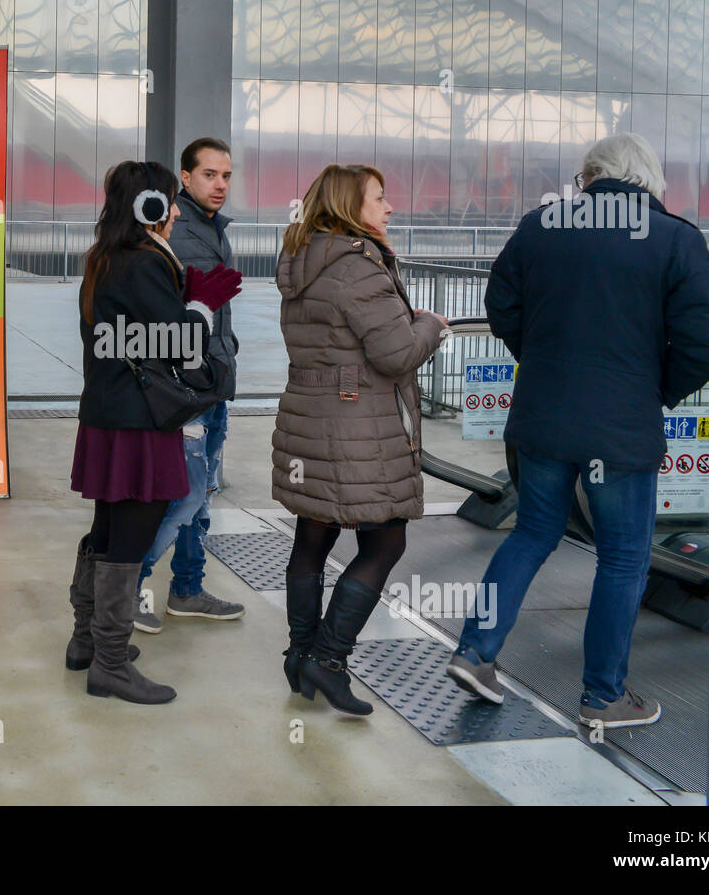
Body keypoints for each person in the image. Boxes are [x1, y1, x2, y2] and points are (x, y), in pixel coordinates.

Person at [445, 132, 709, 729]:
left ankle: (474, 652)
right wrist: (653, 391)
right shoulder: (676, 238)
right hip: (620, 430)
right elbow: (705, 347)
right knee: (623, 558)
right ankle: (603, 696)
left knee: (532, 534)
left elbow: (503, 308)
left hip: (542, 417)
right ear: (646, 180)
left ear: (589, 179)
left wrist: (544, 365)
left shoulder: (541, 227)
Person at [272, 164, 448, 715]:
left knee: (313, 537)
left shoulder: (302, 261)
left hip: (308, 418)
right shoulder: (357, 268)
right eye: (379, 197)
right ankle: (328, 660)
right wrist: (431, 327)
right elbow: (394, 353)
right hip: (357, 426)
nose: (389, 207)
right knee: (385, 541)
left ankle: (300, 656)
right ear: (351, 206)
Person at [67, 160, 243, 704]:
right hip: (140, 421)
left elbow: (119, 337)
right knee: (130, 539)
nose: (172, 210)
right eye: (167, 199)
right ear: (149, 206)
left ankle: (87, 642)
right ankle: (111, 665)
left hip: (106, 415)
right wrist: (200, 305)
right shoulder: (144, 263)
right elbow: (173, 343)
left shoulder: (105, 257)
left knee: (107, 529)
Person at [134, 137, 246, 632]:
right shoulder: (180, 232)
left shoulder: (210, 228)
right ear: (185, 178)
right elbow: (179, 315)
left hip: (210, 384)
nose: (220, 184)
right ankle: (126, 585)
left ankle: (186, 589)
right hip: (189, 390)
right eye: (209, 175)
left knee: (197, 500)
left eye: (226, 175)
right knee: (183, 496)